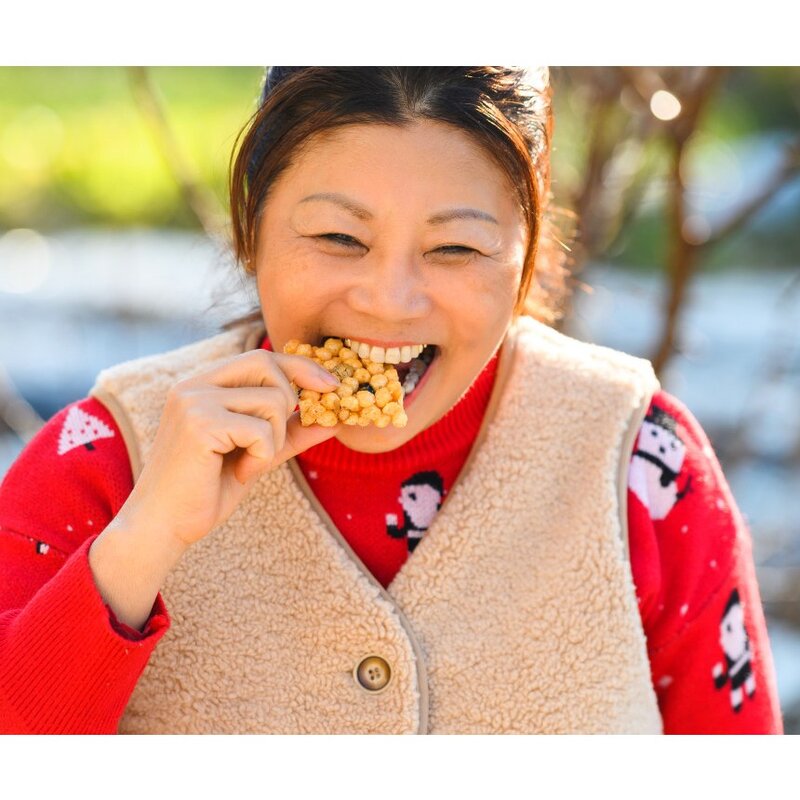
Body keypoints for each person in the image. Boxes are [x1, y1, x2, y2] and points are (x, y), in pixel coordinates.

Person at [0, 66, 783, 734]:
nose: (389, 301)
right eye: (339, 238)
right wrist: (143, 541)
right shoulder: (103, 462)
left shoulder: (643, 465)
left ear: (530, 245)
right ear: (251, 221)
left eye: (455, 249)